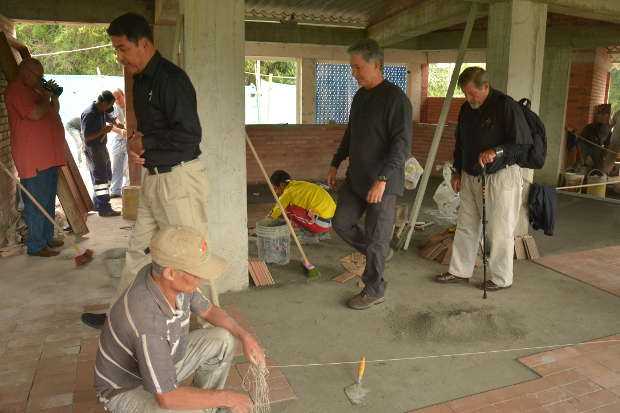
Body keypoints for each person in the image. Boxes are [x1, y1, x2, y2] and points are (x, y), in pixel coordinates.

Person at [81, 13, 208, 328]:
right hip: (154, 178)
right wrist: (141, 148)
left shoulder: (171, 79)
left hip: (179, 180)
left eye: (123, 48)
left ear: (144, 43)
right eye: (116, 50)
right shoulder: (141, 82)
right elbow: (150, 133)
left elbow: (190, 135)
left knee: (190, 254)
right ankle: (119, 317)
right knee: (137, 249)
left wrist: (146, 142)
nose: (119, 57)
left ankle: (204, 326)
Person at [95, 226, 263, 413]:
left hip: (159, 361)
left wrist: (245, 336)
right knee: (172, 405)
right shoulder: (148, 322)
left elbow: (208, 311)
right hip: (128, 388)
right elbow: (167, 399)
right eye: (196, 272)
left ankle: (207, 407)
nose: (202, 278)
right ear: (170, 273)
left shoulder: (162, 278)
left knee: (222, 340)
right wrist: (228, 398)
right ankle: (202, 405)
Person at [327, 39, 412, 310]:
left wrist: (383, 179)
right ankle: (379, 250)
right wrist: (335, 162)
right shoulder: (360, 96)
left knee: (376, 238)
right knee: (341, 222)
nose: (354, 73)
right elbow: (351, 133)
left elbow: (401, 145)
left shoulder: (396, 99)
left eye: (358, 67)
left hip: (383, 183)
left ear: (376, 65)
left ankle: (375, 288)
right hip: (357, 178)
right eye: (352, 67)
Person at [435, 67, 532, 291]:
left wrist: (496, 151)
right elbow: (461, 143)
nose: (469, 99)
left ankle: (501, 278)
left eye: (473, 94)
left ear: (485, 87)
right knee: (466, 225)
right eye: (466, 94)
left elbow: (522, 144)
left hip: (500, 176)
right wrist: (458, 171)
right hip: (470, 175)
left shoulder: (506, 106)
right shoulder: (466, 109)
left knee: (499, 230)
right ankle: (459, 271)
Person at [5, 58, 66, 257]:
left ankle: (46, 238)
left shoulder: (36, 91)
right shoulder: (16, 91)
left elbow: (52, 111)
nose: (41, 80)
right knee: (36, 203)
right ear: (25, 71)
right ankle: (36, 245)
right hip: (33, 158)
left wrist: (53, 97)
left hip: (48, 156)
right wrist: (45, 96)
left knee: (47, 200)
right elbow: (35, 114)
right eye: (37, 76)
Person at [80, 90, 122, 217]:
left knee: (107, 174)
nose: (110, 108)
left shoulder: (102, 110)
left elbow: (111, 116)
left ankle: (98, 203)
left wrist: (118, 123)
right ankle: (104, 208)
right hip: (93, 149)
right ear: (103, 102)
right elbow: (86, 138)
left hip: (101, 147)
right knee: (101, 179)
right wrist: (102, 131)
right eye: (110, 105)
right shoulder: (89, 114)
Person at [269, 170, 336, 243]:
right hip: (331, 221)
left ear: (281, 185)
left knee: (287, 210)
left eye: (275, 188)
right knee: (299, 209)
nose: (275, 192)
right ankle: (322, 234)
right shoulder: (297, 184)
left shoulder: (288, 192)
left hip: (322, 224)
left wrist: (263, 226)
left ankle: (309, 236)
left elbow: (274, 213)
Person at [578, 104, 611, 171]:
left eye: (605, 115)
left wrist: (605, 154)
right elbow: (581, 141)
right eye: (600, 114)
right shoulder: (589, 128)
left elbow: (607, 144)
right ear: (597, 116)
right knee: (583, 166)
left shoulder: (607, 129)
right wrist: (586, 156)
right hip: (586, 151)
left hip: (598, 151)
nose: (602, 117)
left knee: (599, 168)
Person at [108, 89, 128, 198]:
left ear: (123, 95)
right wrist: (121, 131)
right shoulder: (113, 109)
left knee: (128, 166)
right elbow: (111, 125)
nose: (117, 101)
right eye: (115, 99)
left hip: (130, 139)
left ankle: (127, 189)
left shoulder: (130, 107)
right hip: (118, 139)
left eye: (118, 97)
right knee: (116, 165)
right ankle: (115, 190)